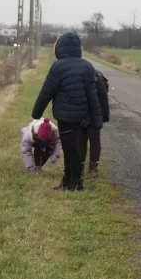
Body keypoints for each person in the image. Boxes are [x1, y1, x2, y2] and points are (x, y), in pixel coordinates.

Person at [31, 31, 103, 192]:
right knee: (72, 147)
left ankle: (75, 182)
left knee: (71, 149)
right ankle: (69, 181)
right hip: (81, 115)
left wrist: (36, 113)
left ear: (60, 48)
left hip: (65, 115)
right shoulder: (87, 66)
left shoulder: (58, 66)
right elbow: (93, 96)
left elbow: (46, 92)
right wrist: (97, 119)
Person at [82, 69, 110, 178]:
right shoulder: (95, 73)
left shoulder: (92, 74)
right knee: (91, 140)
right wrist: (105, 114)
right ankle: (91, 169)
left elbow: (103, 94)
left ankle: (91, 168)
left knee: (88, 140)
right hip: (89, 112)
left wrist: (104, 114)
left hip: (92, 112)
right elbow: (104, 95)